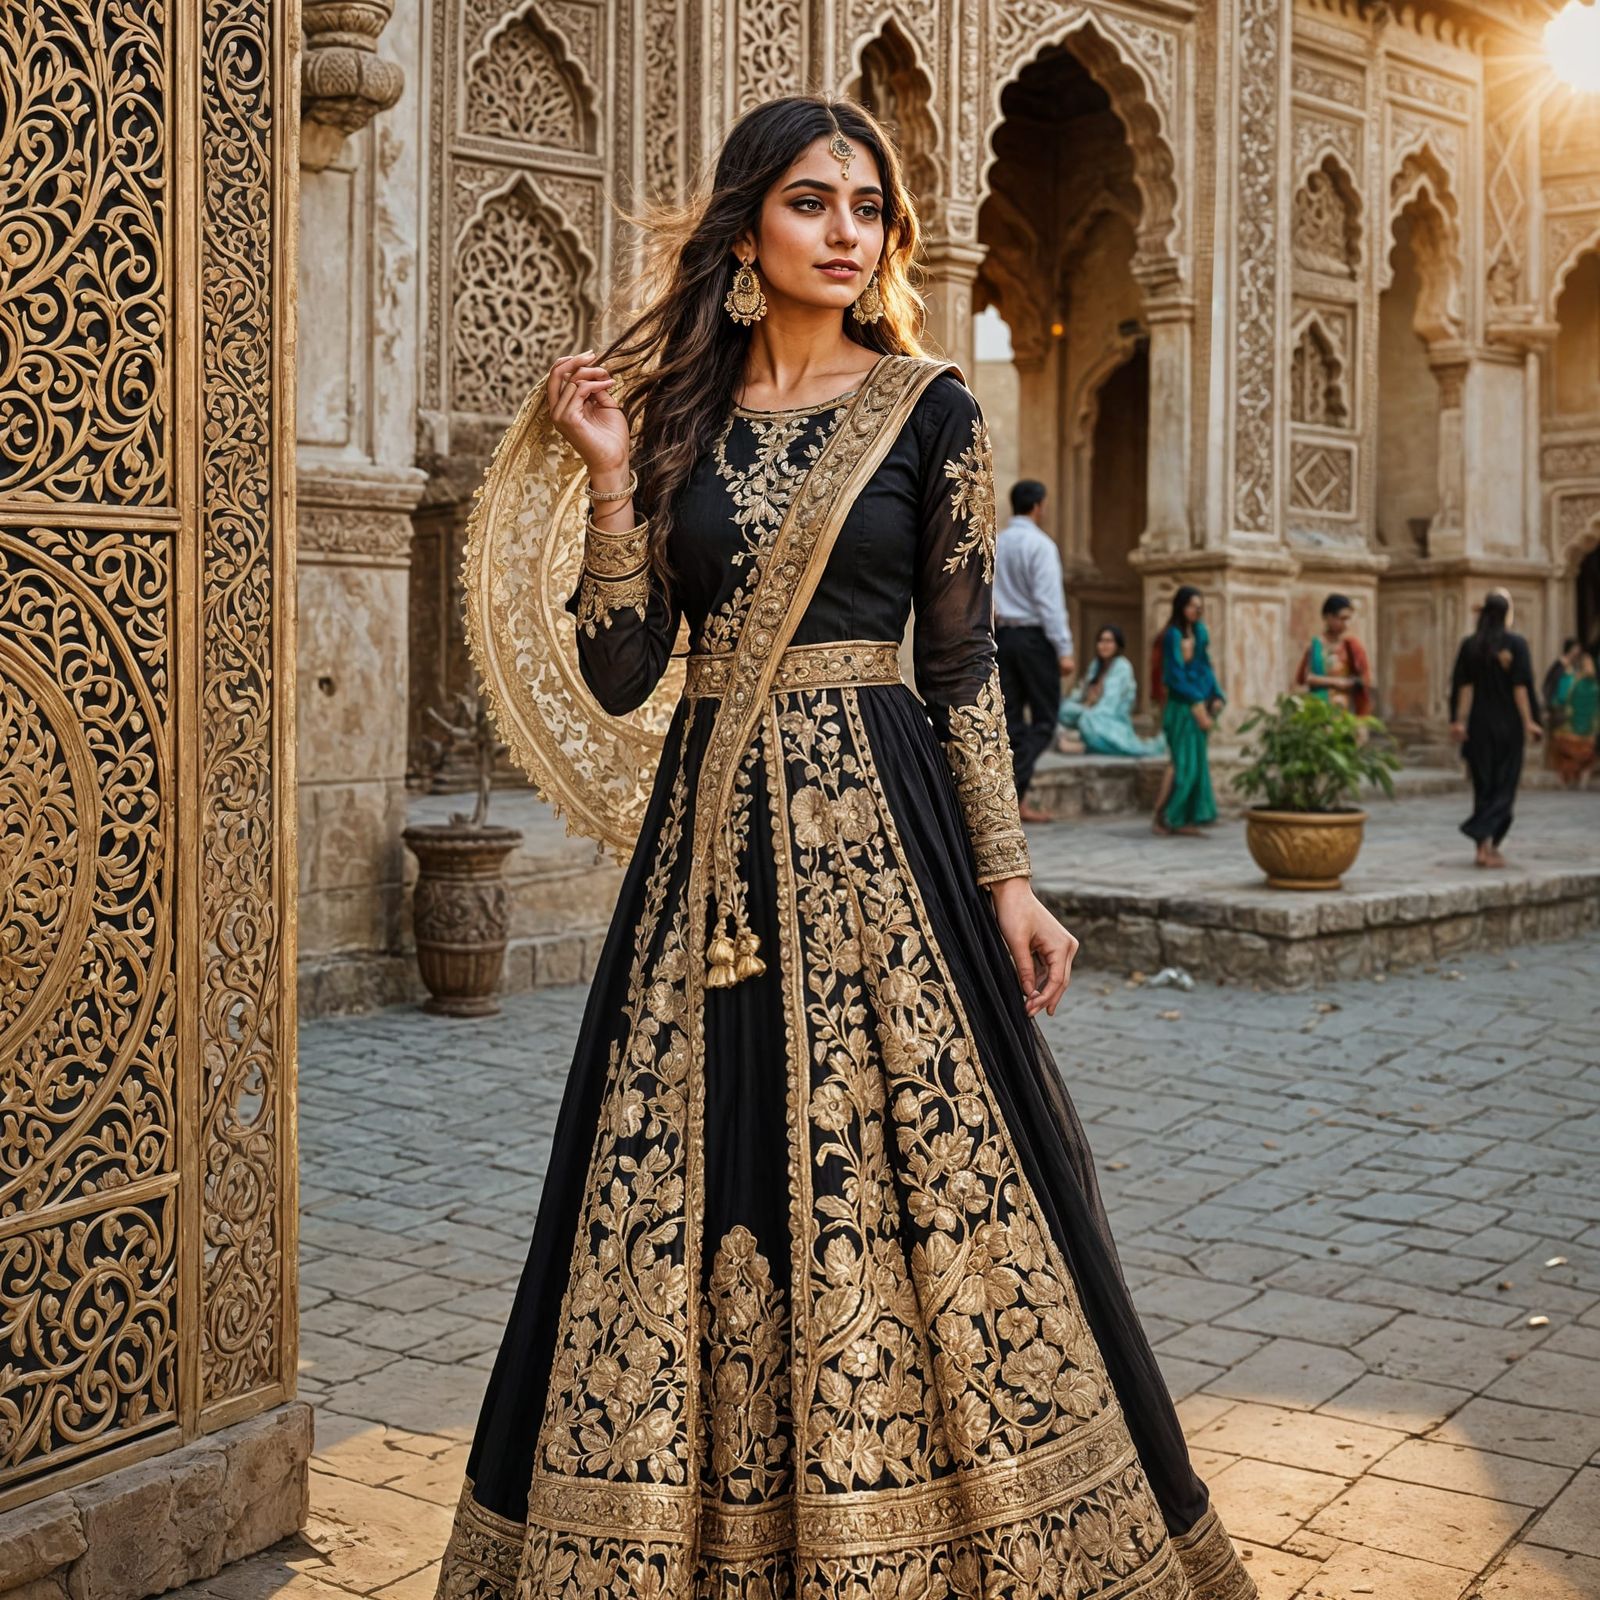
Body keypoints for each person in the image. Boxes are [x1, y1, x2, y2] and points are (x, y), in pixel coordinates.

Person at [434, 95, 1256, 1600]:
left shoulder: (930, 407)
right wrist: (614, 478)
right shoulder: (676, 412)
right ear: (748, 224)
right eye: (812, 202)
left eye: (867, 208)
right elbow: (626, 673)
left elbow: (958, 671)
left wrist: (1008, 878)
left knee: (925, 1172)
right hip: (706, 860)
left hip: (889, 841)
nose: (844, 232)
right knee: (699, 1164)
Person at [994, 478, 1075, 823]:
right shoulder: (1040, 546)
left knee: (1011, 720)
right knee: (1045, 720)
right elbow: (1048, 602)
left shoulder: (996, 542)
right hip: (1033, 639)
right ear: (1038, 506)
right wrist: (1064, 648)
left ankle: (1016, 798)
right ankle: (1014, 791)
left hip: (1002, 637)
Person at [1449, 591, 1542, 867]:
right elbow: (1520, 688)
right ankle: (1484, 835)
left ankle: (1482, 849)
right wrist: (1529, 722)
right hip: (1508, 726)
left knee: (1483, 786)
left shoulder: (1470, 646)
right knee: (1505, 787)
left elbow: (1463, 688)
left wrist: (1459, 720)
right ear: (1507, 614)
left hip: (1479, 724)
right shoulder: (1516, 644)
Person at [1153, 586, 1225, 836]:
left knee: (1196, 764)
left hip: (1199, 703)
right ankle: (1164, 815)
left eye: (1199, 605)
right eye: (1192, 605)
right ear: (1181, 607)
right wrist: (1196, 704)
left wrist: (1216, 695)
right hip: (1181, 708)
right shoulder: (1172, 636)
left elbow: (1205, 666)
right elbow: (1173, 676)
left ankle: (1184, 817)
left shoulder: (1201, 632)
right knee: (1182, 764)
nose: (1197, 610)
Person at [1058, 623, 1166, 758]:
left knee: (1087, 720)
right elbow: (1081, 693)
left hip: (1111, 719)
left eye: (1109, 641)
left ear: (1117, 645)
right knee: (1063, 709)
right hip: (1093, 714)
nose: (1104, 645)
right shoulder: (1096, 665)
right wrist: (1080, 704)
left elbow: (1109, 706)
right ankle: (1087, 739)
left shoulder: (1122, 667)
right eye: (1101, 641)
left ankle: (1085, 747)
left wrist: (1089, 708)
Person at [1295, 592, 1373, 714]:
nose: (1346, 624)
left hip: (1344, 712)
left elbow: (1365, 679)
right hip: (1318, 710)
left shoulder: (1352, 645)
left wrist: (1352, 683)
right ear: (1328, 617)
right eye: (1342, 619)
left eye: (1348, 619)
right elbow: (1304, 677)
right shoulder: (1316, 645)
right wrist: (1337, 682)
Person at [1551, 647, 1598, 788]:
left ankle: (1576, 776)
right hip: (1580, 729)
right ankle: (1575, 776)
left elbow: (1560, 699)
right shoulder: (1575, 681)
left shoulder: (1575, 681)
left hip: (1582, 730)